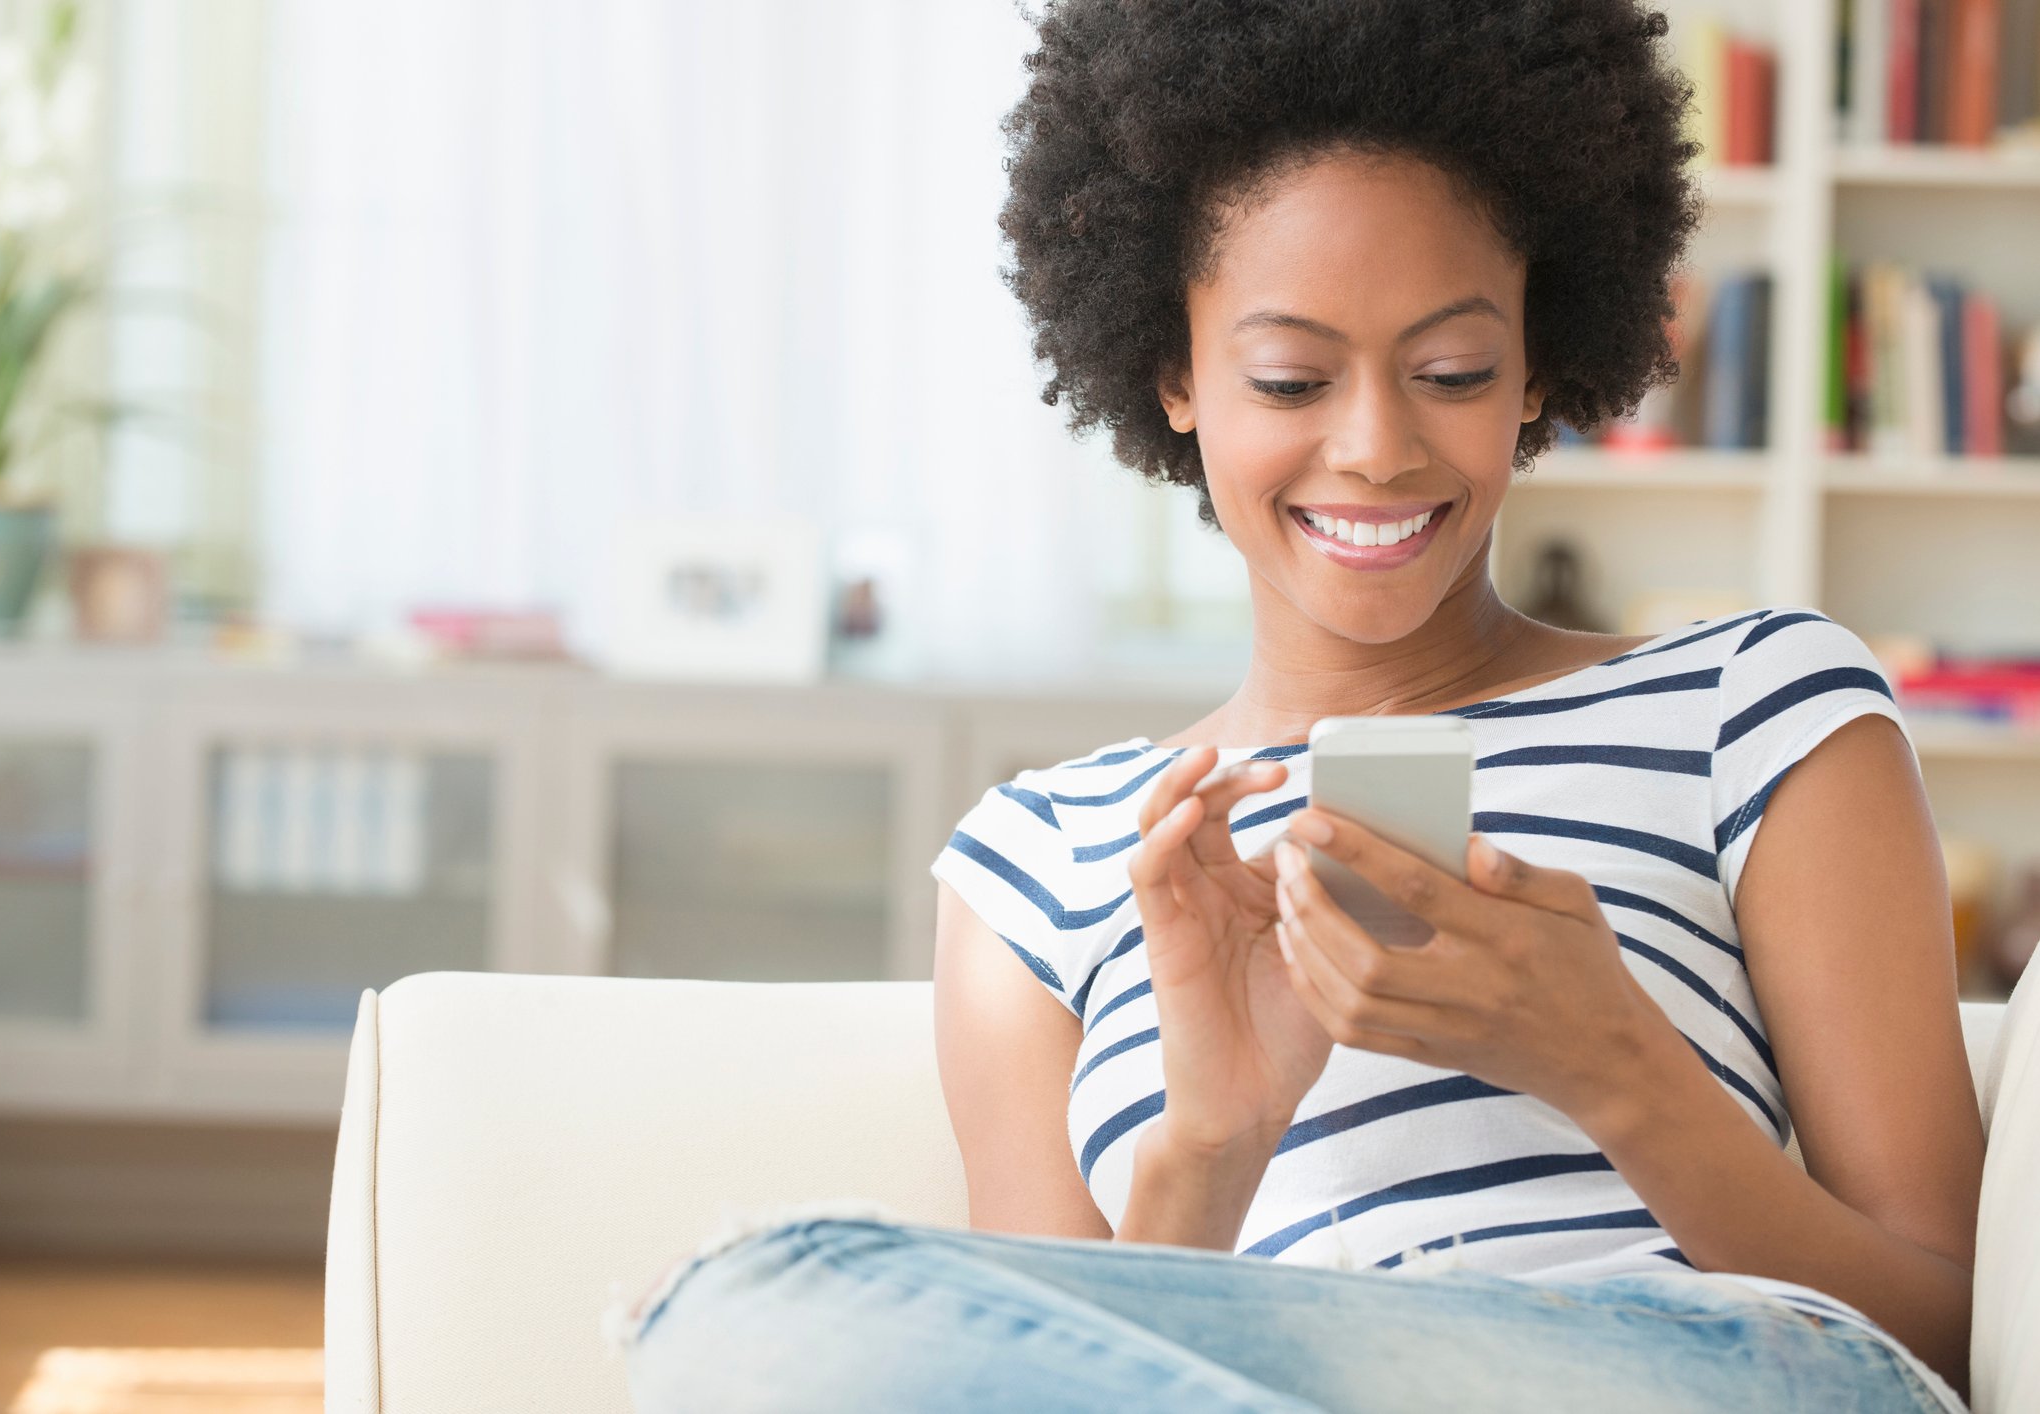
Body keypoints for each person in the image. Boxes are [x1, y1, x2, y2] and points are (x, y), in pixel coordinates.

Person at [615, 1, 1983, 1408]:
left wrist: (1615, 1062)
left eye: (1452, 373)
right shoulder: (1040, 861)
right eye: (1290, 378)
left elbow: (1941, 1336)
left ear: (1537, 373)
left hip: (1683, 1367)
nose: (1377, 449)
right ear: (1174, 375)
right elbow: (1047, 1364)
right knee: (755, 1310)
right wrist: (1213, 1140)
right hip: (1271, 1372)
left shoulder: (1752, 704)